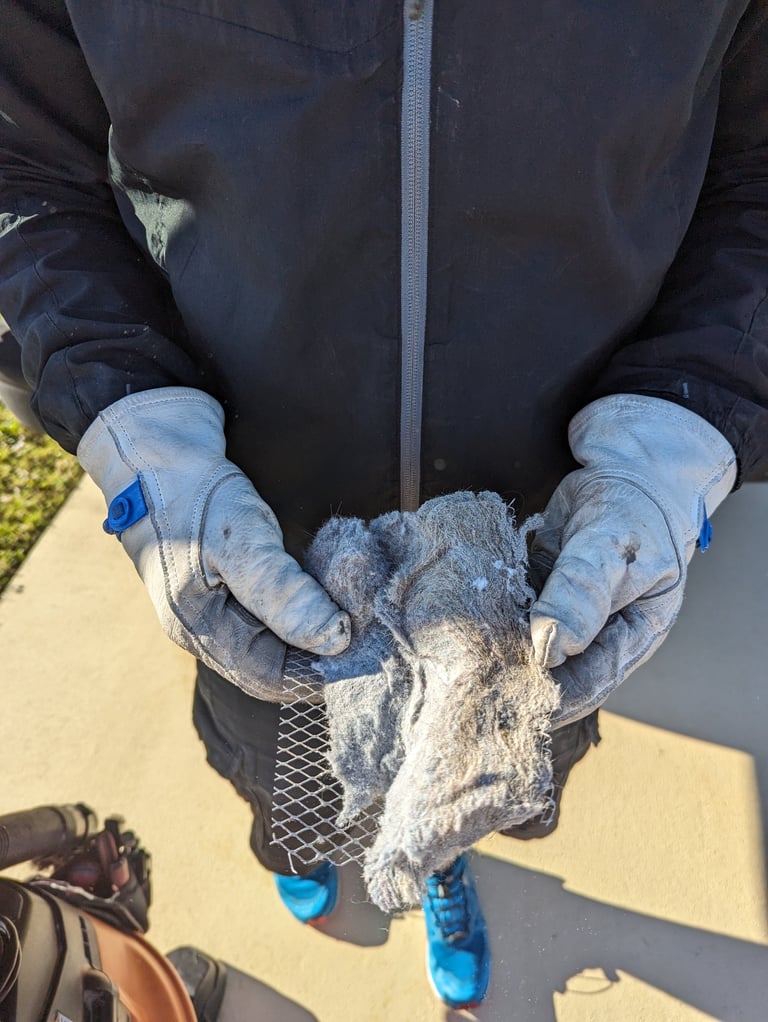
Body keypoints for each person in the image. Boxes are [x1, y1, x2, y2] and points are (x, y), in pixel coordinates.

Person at [1, 0, 766, 1010]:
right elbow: (25, 163)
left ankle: (442, 857)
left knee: (483, 756)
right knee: (276, 759)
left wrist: (685, 431)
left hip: (549, 549)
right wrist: (132, 425)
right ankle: (294, 837)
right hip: (250, 521)